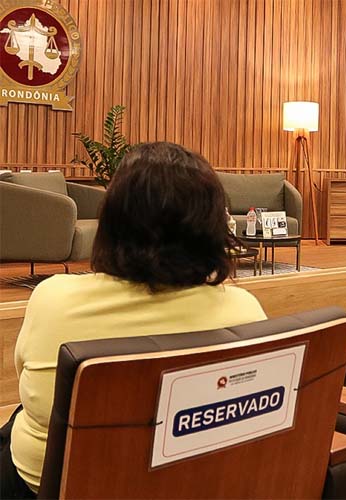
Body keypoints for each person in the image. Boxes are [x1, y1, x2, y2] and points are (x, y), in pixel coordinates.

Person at [0, 142, 267, 498]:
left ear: (112, 220)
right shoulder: (245, 311)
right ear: (212, 225)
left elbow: (29, 382)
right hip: (187, 484)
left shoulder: (54, 300)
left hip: (48, 486)